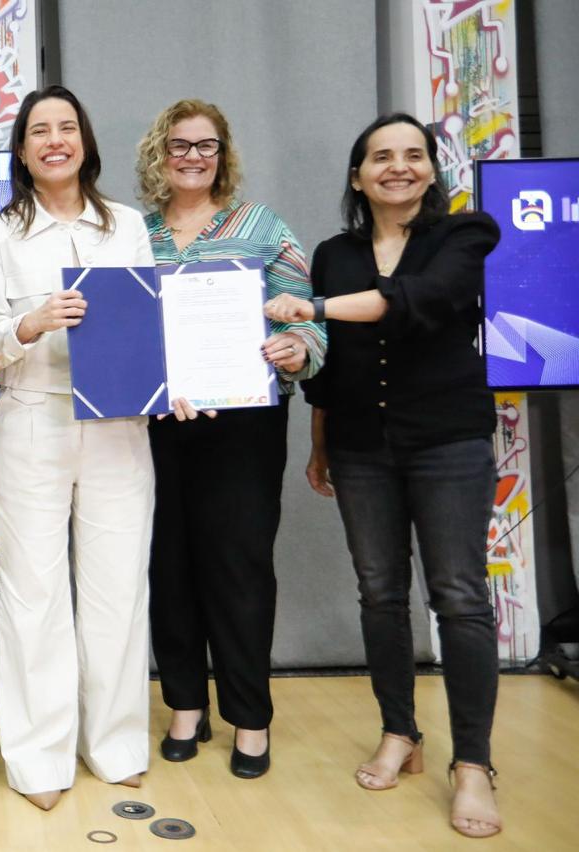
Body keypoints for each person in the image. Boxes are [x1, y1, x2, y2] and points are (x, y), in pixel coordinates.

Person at [265, 112, 502, 838]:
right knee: (379, 593)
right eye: (380, 157)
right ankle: (400, 732)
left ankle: (473, 764)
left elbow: (416, 302)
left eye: (412, 155)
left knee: (459, 597)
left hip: (448, 442)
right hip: (360, 446)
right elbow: (329, 364)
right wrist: (319, 444)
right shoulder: (334, 253)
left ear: (431, 169)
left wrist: (312, 306)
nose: (397, 167)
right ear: (357, 175)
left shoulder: (465, 235)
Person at [0, 85, 154, 811]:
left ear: (85, 141)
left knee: (118, 590)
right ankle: (39, 758)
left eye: (67, 127)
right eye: (40, 131)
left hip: (118, 428)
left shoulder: (127, 226)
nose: (55, 141)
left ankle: (114, 744)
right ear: (21, 151)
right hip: (32, 420)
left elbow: (151, 325)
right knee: (33, 594)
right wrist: (30, 325)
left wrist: (170, 378)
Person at [133, 99, 325, 779]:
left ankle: (249, 715)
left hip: (244, 426)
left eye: (206, 145)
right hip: (158, 424)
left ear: (224, 154)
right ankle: (186, 704)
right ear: (159, 154)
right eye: (179, 145)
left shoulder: (264, 227)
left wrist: (298, 349)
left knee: (239, 568)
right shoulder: (135, 234)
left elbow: (308, 323)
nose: (193, 157)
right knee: (168, 566)